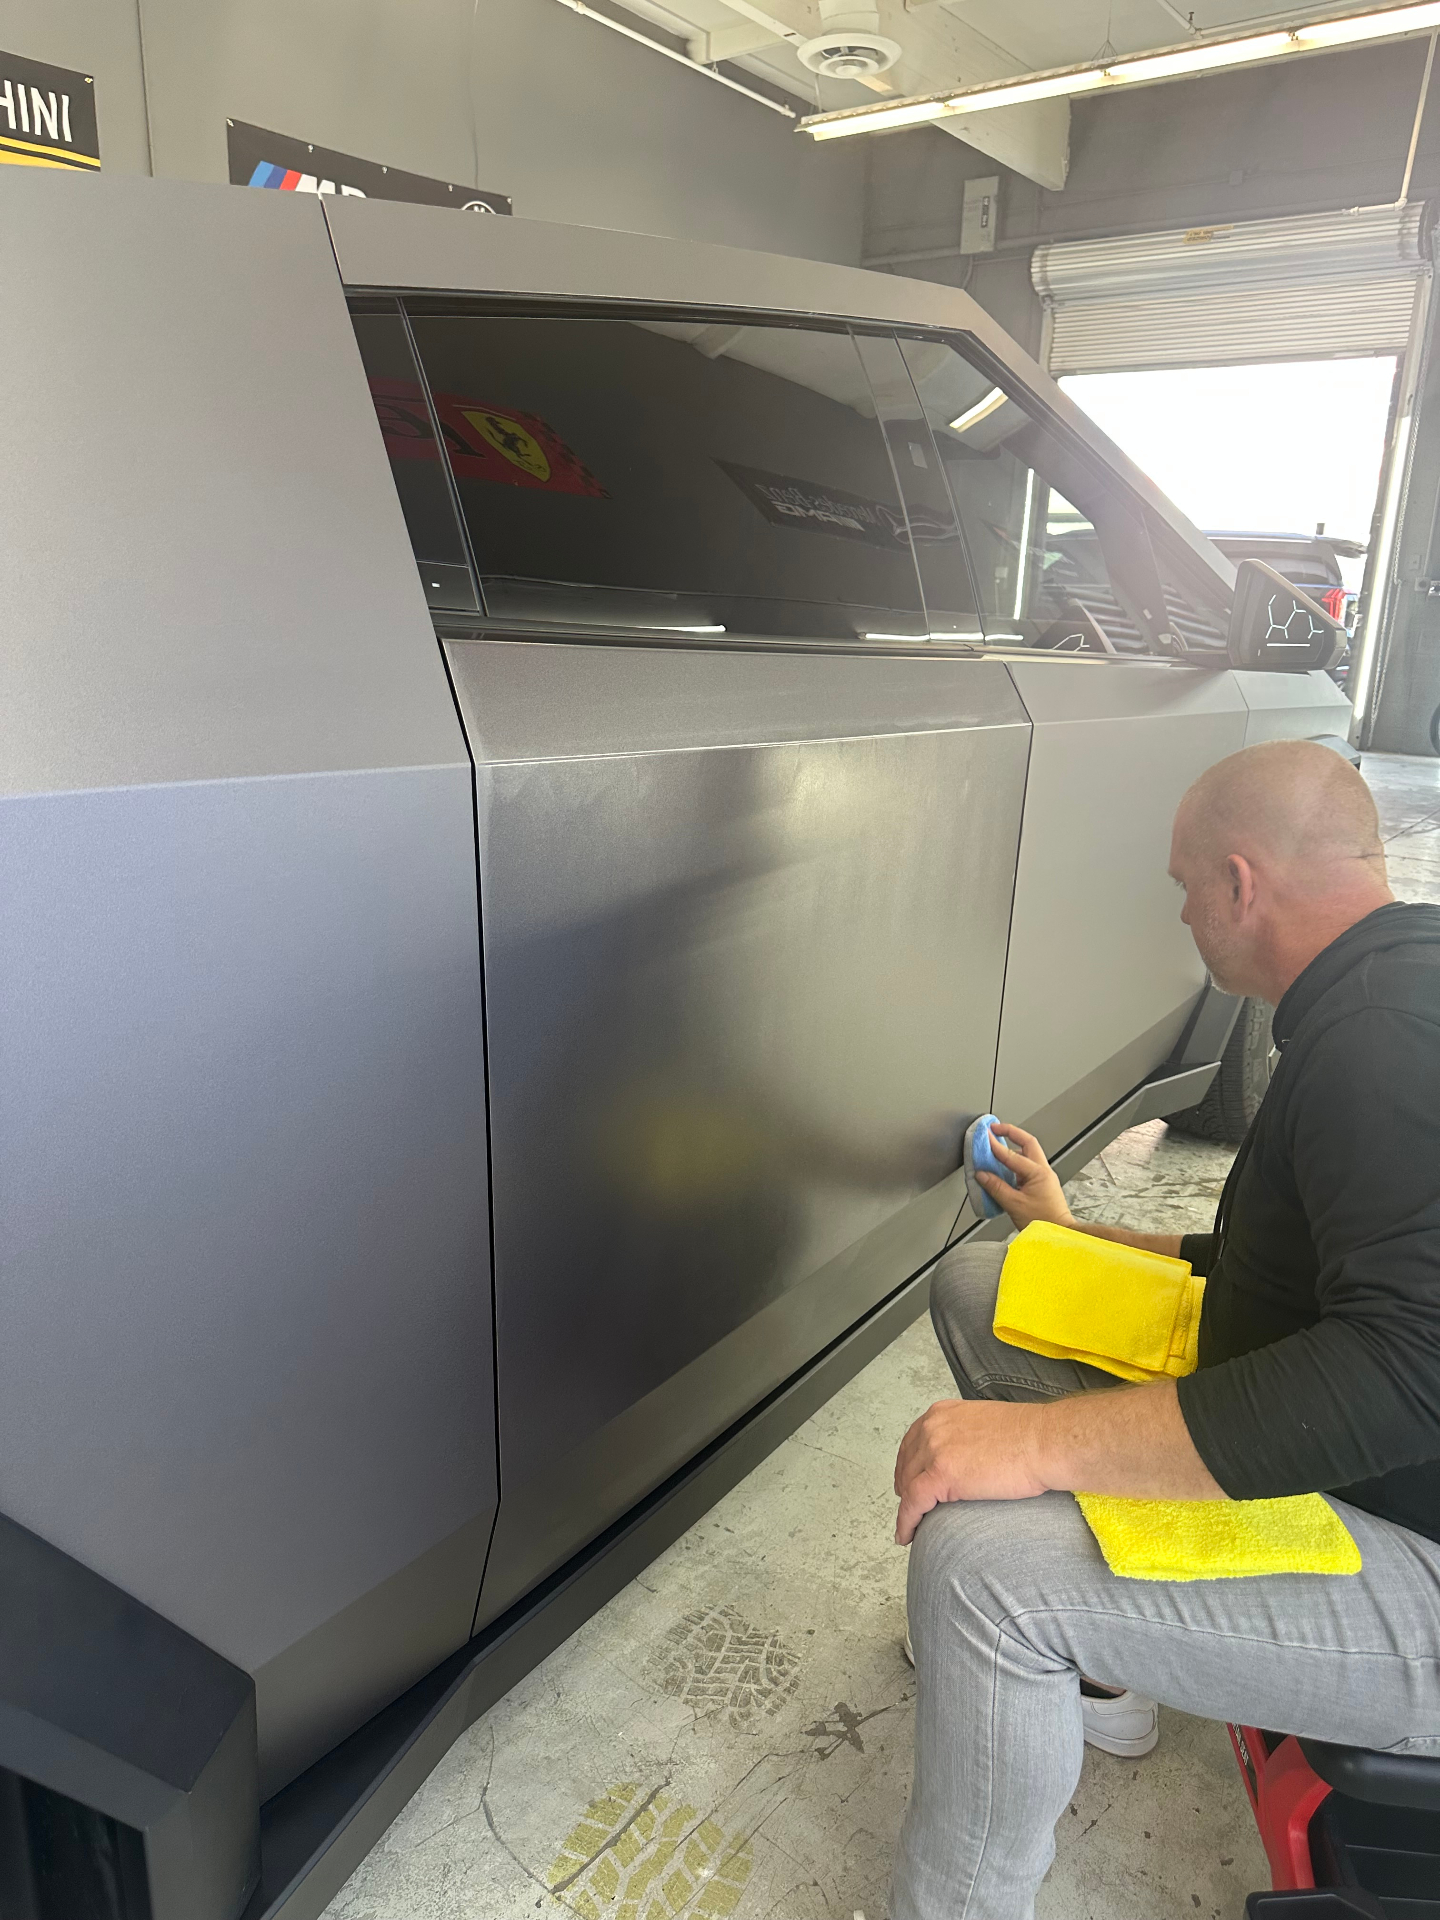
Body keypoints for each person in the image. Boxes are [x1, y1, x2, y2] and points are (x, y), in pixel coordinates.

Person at [890, 739, 1440, 1920]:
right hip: (1381, 1464)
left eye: (1186, 885)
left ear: (1241, 882)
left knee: (982, 1574)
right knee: (1000, 1282)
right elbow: (1293, 1274)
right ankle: (1107, 1679)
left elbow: (1406, 1371)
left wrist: (1033, 1448)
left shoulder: (1383, 1049)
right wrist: (1074, 1230)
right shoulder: (1383, 986)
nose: (1183, 913)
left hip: (1422, 1554)